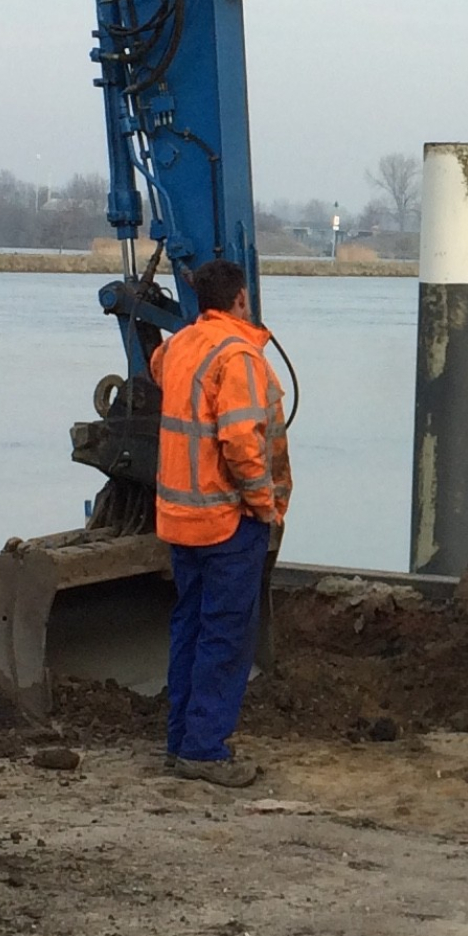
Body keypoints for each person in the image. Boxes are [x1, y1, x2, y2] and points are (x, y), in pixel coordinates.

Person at [151, 258, 292, 787]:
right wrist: (263, 505)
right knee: (226, 636)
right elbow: (240, 443)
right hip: (227, 521)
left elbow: (158, 370)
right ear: (240, 299)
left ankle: (181, 741)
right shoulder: (239, 357)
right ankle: (205, 750)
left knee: (189, 626)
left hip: (179, 518)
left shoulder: (182, 344)